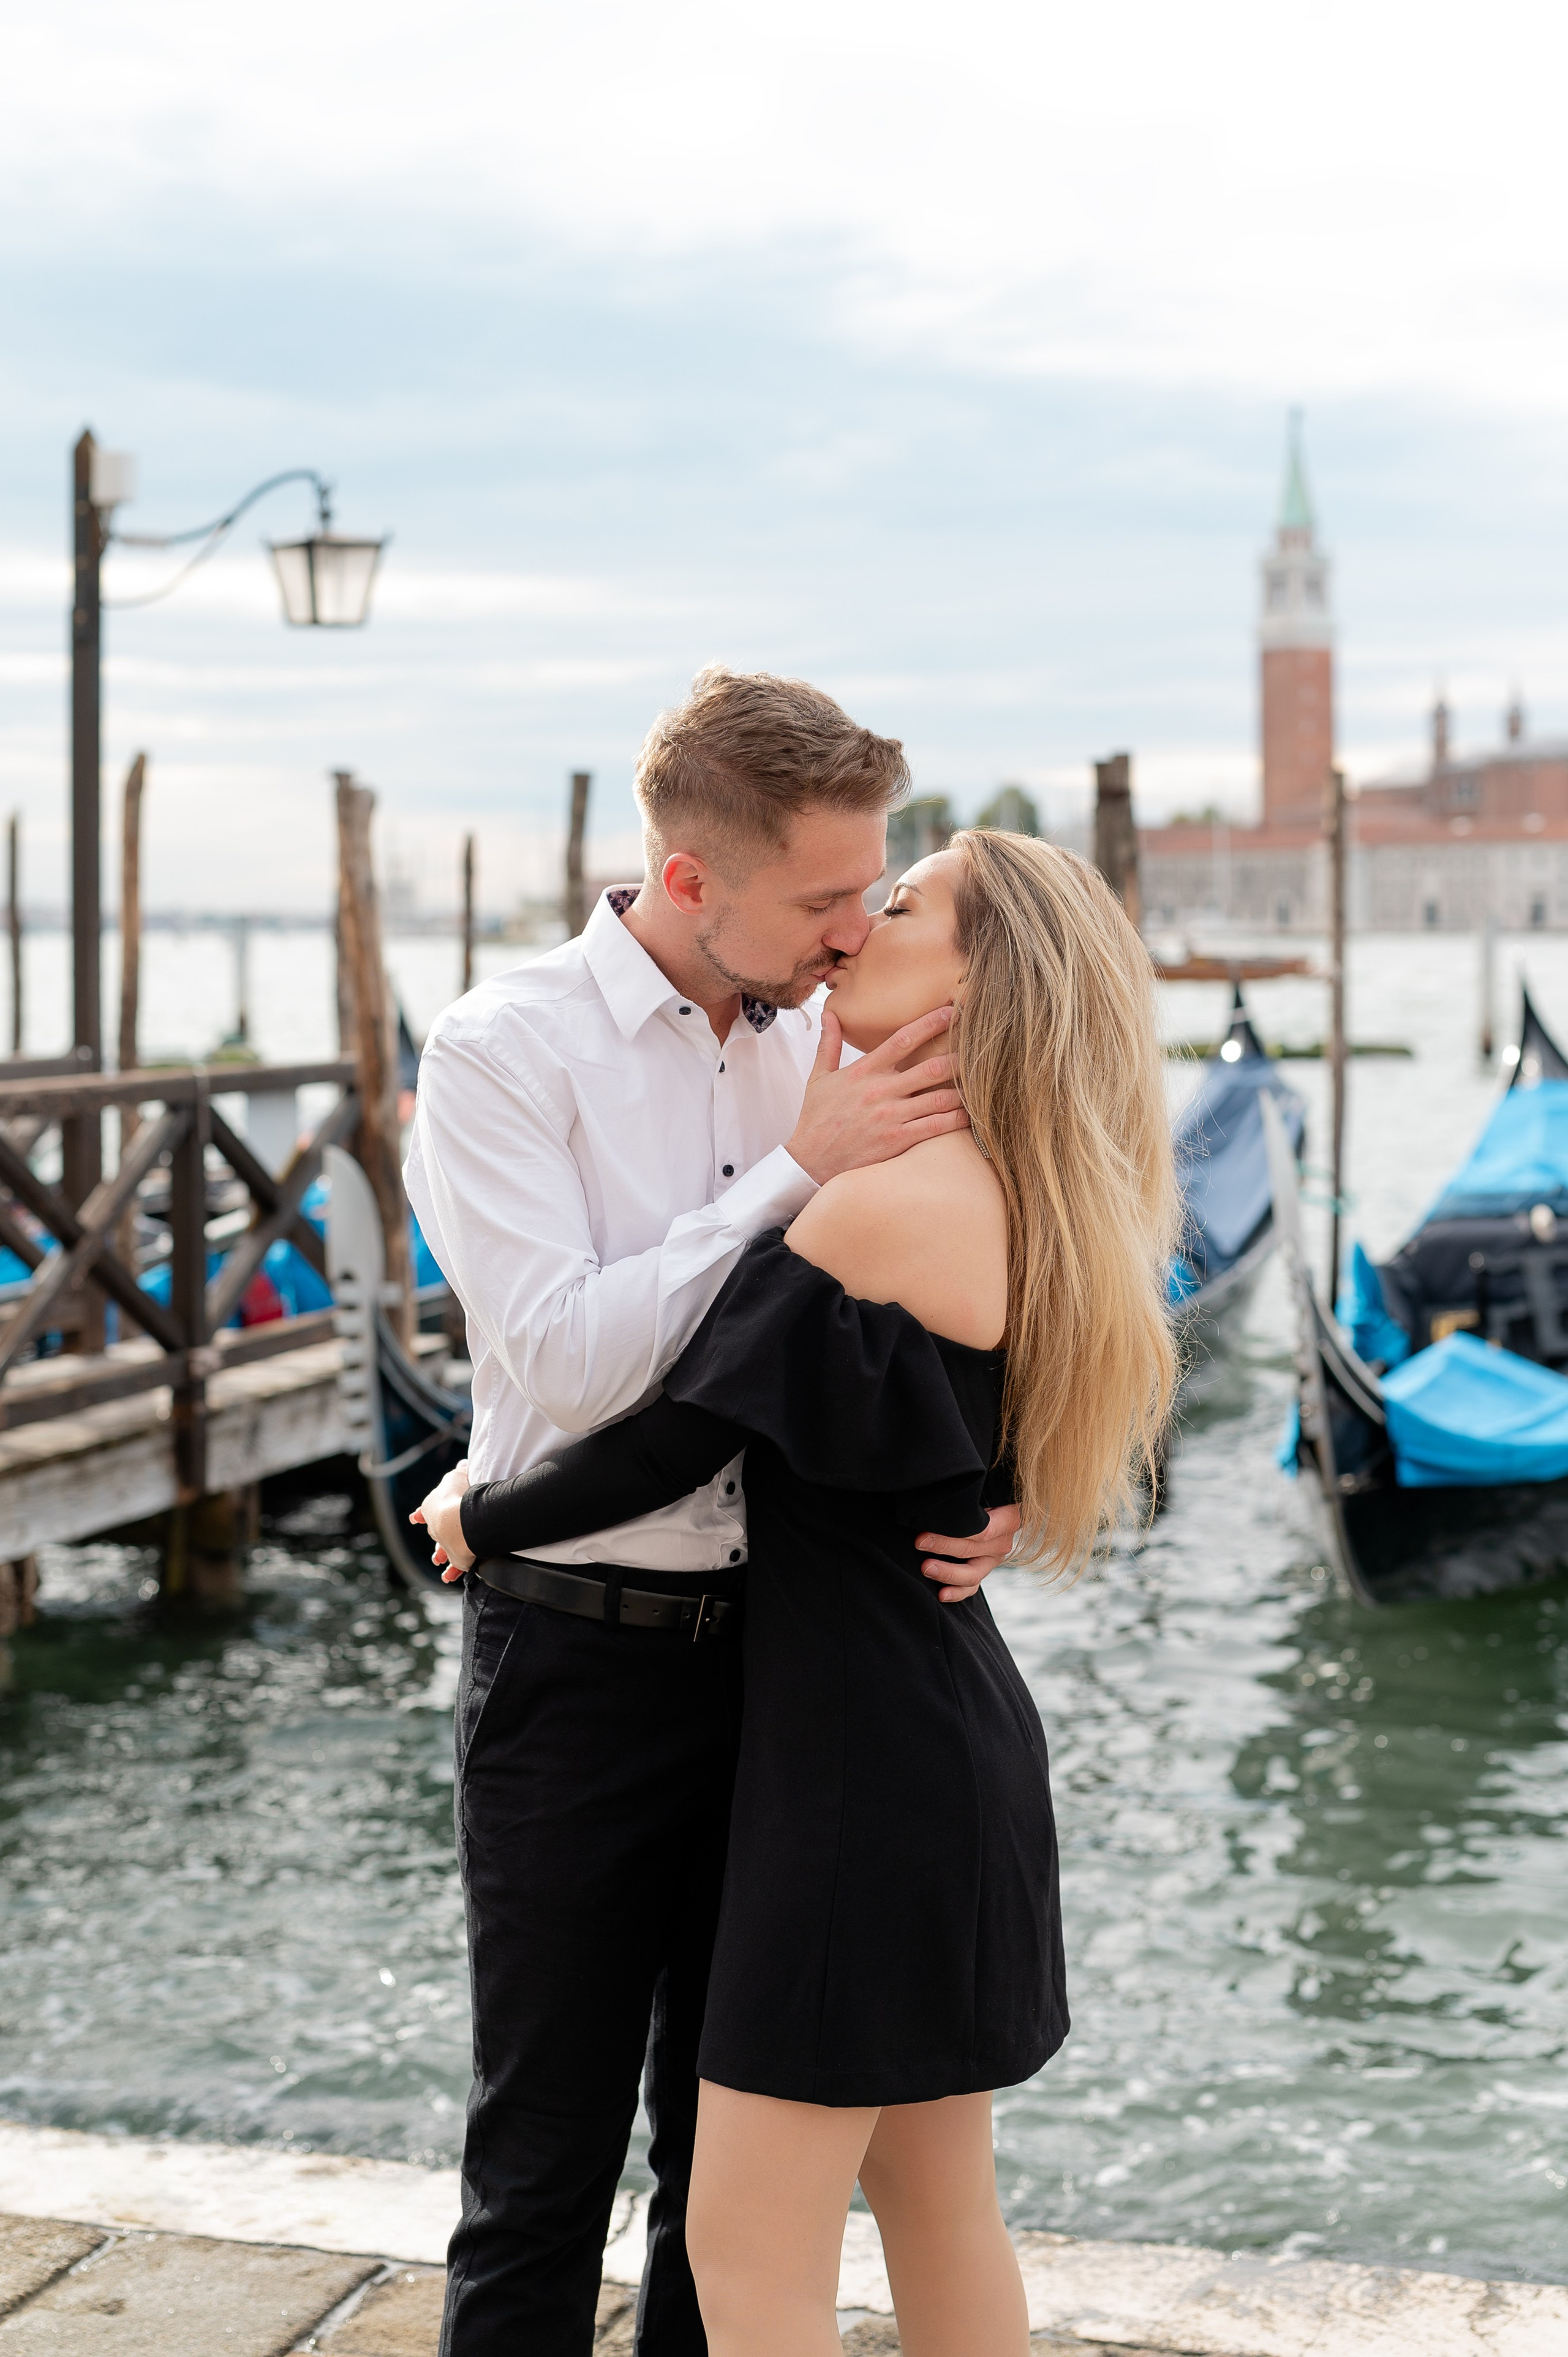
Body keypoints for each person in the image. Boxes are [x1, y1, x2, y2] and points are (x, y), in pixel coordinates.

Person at [418, 829, 1180, 2357]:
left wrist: (475, 1511)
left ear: (974, 984)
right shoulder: (1021, 1176)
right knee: (938, 2209)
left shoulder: (875, 1195)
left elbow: (677, 1430)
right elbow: (987, 1398)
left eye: (897, 907)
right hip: (941, 1739)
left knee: (747, 2255)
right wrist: (1003, 1474)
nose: (854, 930)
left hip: (851, 1776)